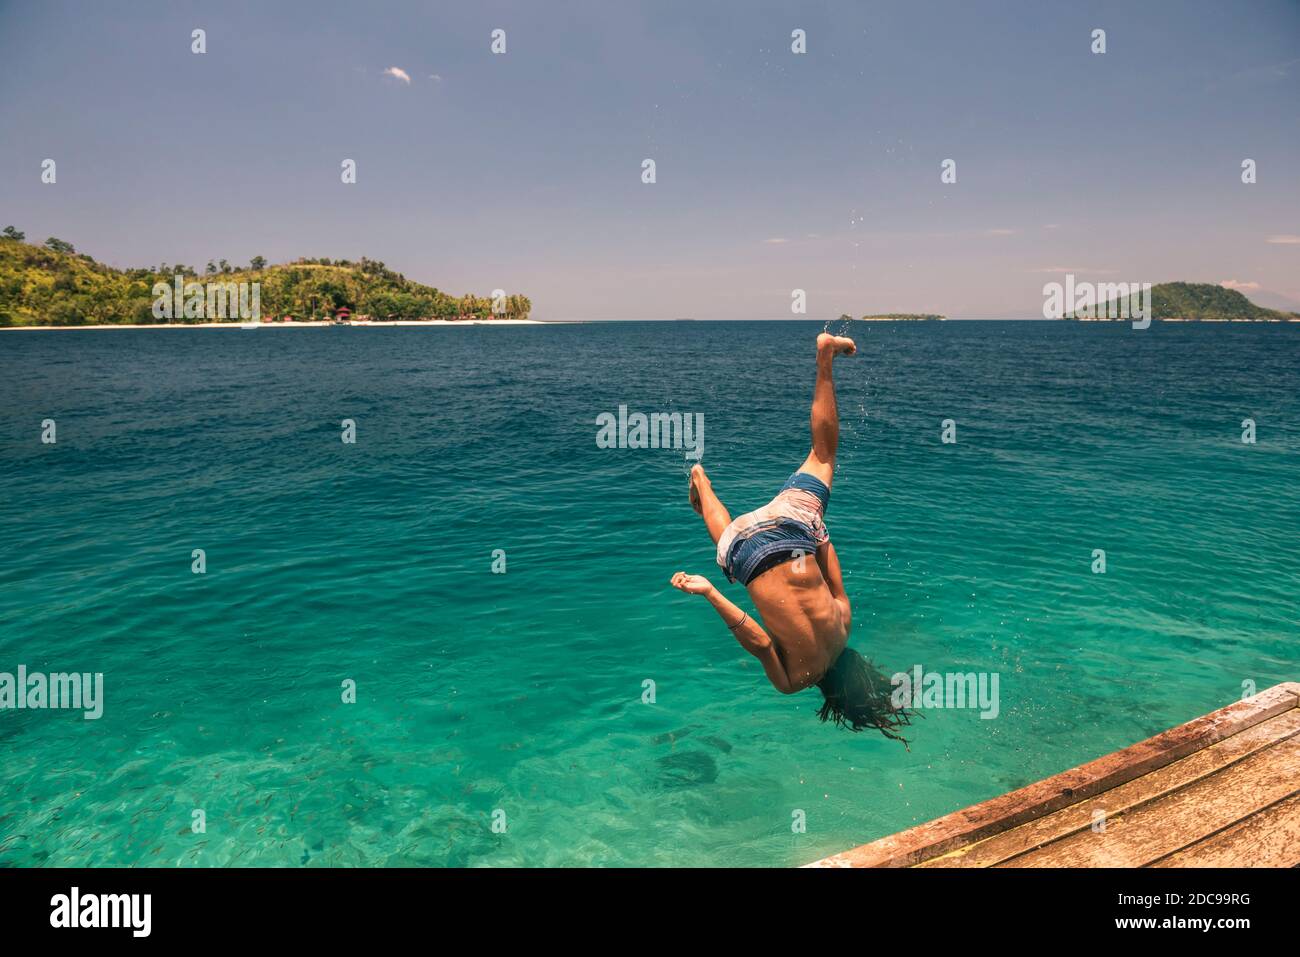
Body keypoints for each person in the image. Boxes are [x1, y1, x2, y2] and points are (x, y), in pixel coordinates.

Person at [671, 333, 914, 742]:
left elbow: (828, 560)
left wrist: (813, 525)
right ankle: (702, 482)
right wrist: (712, 593)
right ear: (833, 698)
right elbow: (762, 643)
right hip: (748, 553)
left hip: (794, 535)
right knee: (730, 545)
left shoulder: (843, 629)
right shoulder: (793, 682)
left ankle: (825, 358)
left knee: (823, 456)